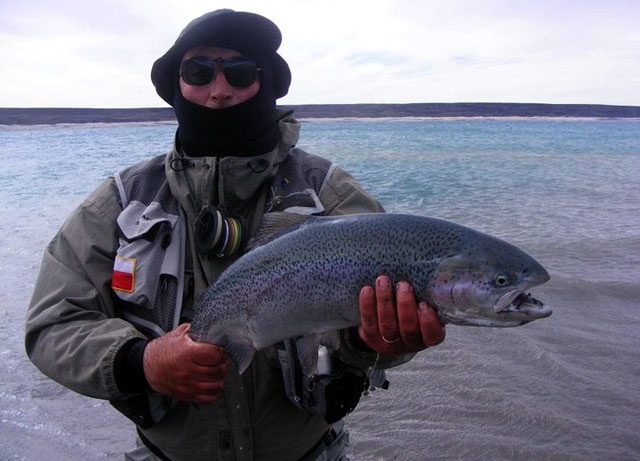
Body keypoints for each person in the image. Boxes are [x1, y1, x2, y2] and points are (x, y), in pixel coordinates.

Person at [25, 9, 445, 461]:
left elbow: (394, 323)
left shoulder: (331, 194)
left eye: (241, 72)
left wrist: (375, 344)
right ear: (176, 85)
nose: (219, 92)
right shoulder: (121, 201)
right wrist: (138, 362)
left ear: (265, 83)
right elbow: (52, 325)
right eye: (199, 72)